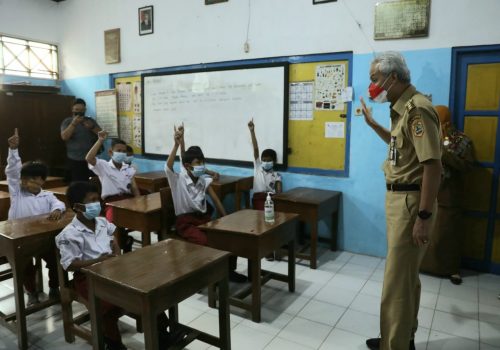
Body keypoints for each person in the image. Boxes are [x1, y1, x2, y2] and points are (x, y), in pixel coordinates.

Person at [360, 52, 442, 350]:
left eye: (374, 79)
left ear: (391, 78)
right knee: (406, 280)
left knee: (397, 283)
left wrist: (423, 216)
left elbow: (433, 165)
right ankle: (402, 338)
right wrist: (373, 126)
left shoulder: (417, 109)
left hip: (411, 204)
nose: (372, 86)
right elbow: (402, 149)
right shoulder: (402, 109)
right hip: (402, 200)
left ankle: (393, 345)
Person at [55, 182, 177, 350]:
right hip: (88, 278)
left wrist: (116, 253)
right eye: (92, 200)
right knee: (108, 306)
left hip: (113, 270)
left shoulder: (102, 222)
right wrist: (99, 261)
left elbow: (114, 241)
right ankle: (113, 343)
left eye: (98, 199)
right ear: (77, 206)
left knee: (146, 292)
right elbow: (69, 264)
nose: (97, 204)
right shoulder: (69, 234)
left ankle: (162, 334)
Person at [165, 124, 246, 283]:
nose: (202, 165)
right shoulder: (179, 180)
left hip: (203, 219)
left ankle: (229, 271)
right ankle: (208, 276)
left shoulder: (203, 179)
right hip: (186, 222)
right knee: (205, 242)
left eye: (203, 162)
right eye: (198, 163)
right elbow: (168, 167)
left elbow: (215, 200)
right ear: (187, 166)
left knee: (229, 237)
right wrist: (176, 144)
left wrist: (226, 220)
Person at [6, 128, 66, 306]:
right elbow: (12, 172)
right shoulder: (17, 193)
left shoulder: (46, 195)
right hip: (20, 239)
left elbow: (59, 204)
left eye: (34, 179)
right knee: (24, 267)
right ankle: (31, 291)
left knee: (57, 259)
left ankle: (54, 288)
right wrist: (14, 150)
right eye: (25, 179)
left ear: (42, 181)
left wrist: (57, 210)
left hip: (41, 238)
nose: (28, 182)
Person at [420, 105, 474, 285]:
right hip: (430, 194)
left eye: (438, 120)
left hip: (450, 196)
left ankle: (452, 270)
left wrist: (445, 154)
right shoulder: (427, 138)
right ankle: (423, 266)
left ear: (447, 121)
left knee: (450, 234)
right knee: (428, 234)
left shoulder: (462, 141)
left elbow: (466, 167)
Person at [85, 131, 141, 252]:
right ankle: (116, 249)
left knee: (142, 217)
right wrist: (100, 141)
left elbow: (134, 187)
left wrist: (139, 201)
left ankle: (126, 240)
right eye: (118, 151)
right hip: (112, 203)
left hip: (128, 200)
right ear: (111, 152)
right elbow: (89, 158)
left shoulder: (128, 168)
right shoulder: (103, 166)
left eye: (123, 151)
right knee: (113, 225)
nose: (121, 153)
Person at [248, 119, 282, 260]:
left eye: (268, 160)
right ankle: (264, 249)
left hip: (271, 201)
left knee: (271, 222)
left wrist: (277, 202)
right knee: (262, 222)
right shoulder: (258, 168)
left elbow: (279, 192)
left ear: (273, 161)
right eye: (264, 159)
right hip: (258, 199)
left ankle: (272, 248)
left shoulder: (277, 175)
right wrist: (252, 131)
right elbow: (255, 149)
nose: (265, 162)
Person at [60, 98, 102, 182]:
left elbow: (101, 134)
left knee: (92, 182)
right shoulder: (67, 121)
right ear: (72, 109)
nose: (79, 112)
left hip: (90, 159)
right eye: (77, 110)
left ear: (85, 110)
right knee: (78, 184)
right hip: (74, 160)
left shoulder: (90, 120)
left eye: (82, 110)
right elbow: (64, 137)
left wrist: (92, 127)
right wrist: (73, 124)